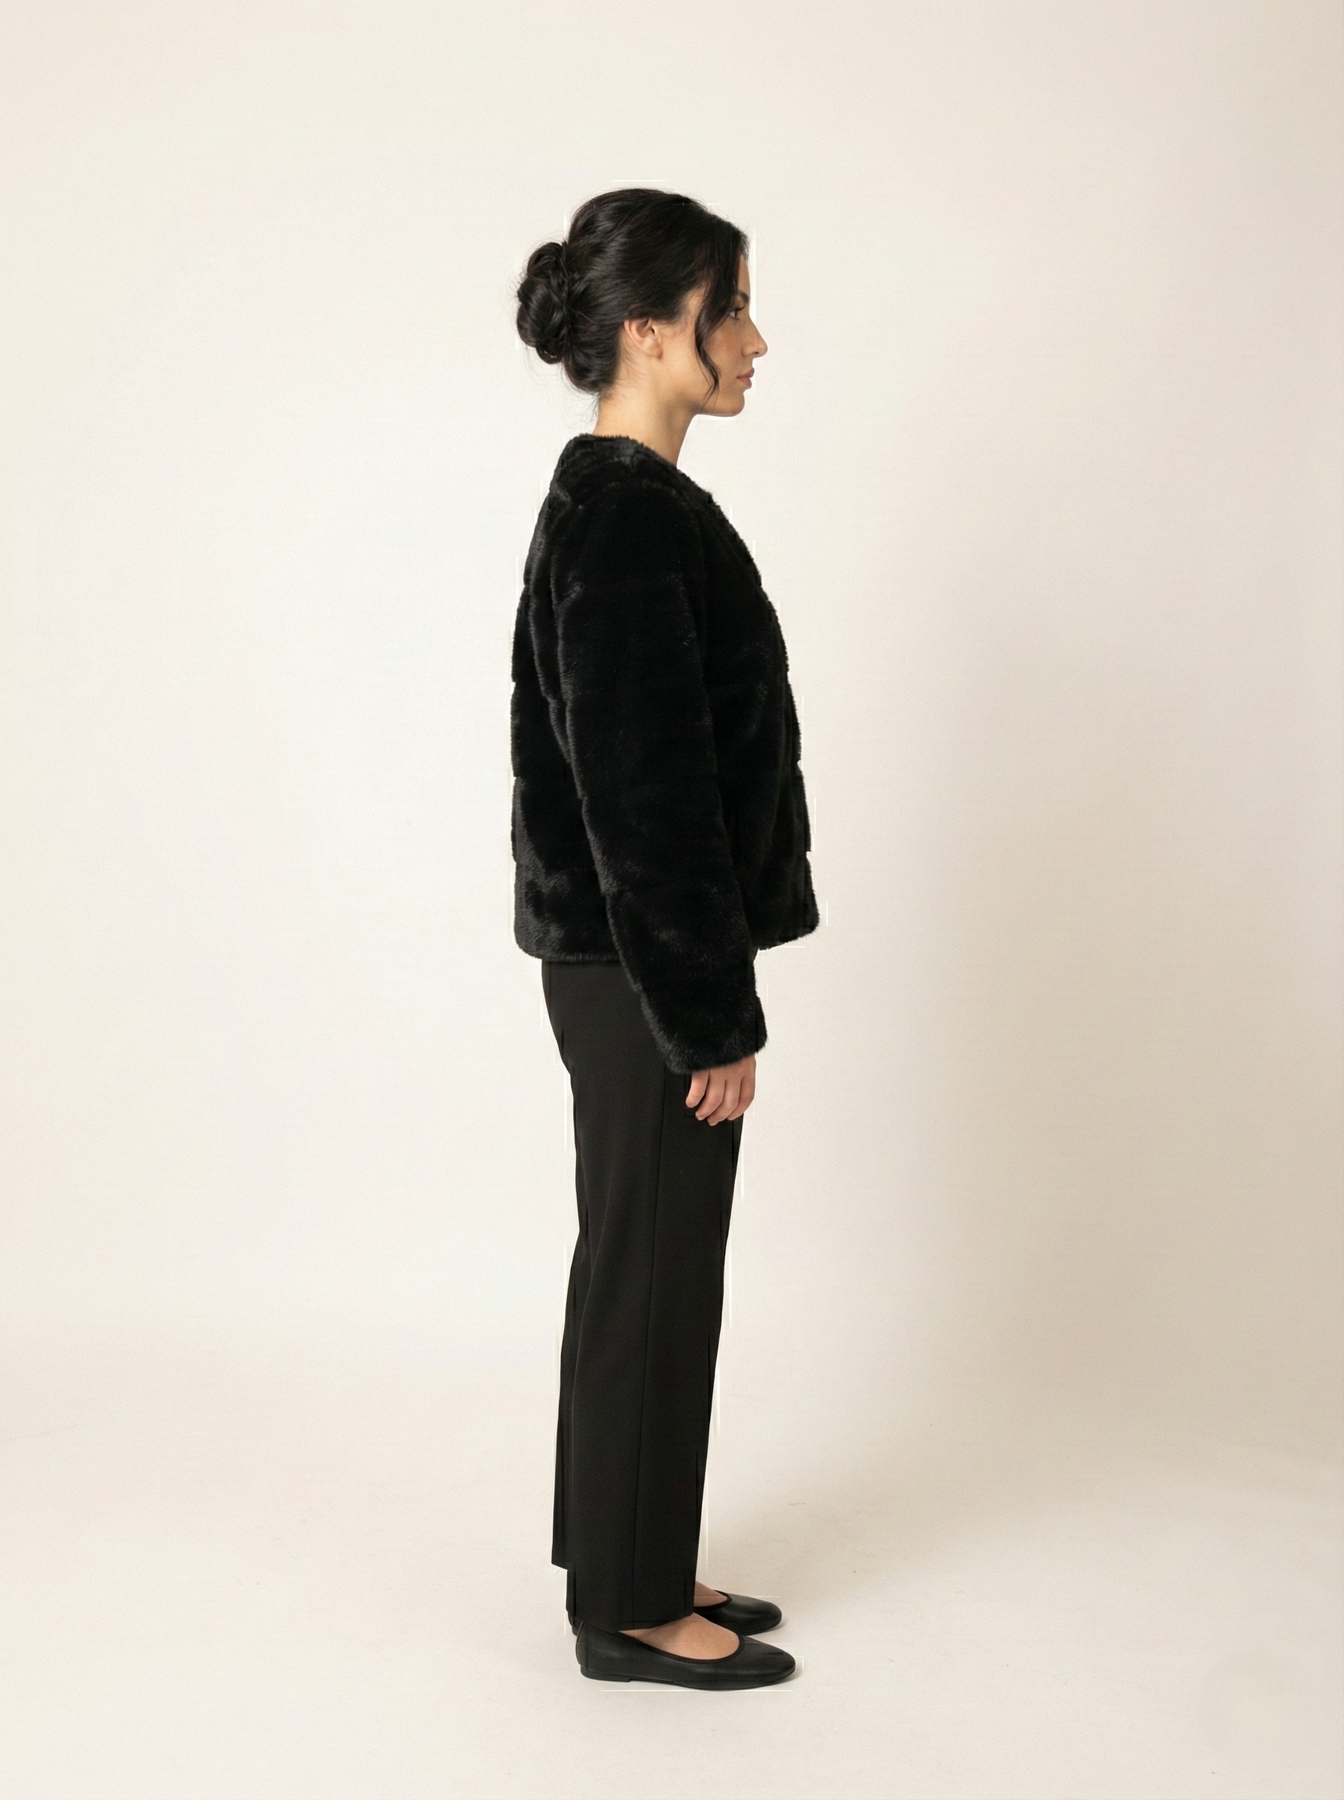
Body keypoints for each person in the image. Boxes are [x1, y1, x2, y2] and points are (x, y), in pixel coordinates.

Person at [511, 188, 819, 1691]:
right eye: (731, 308)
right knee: (655, 1272)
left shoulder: (621, 503)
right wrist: (710, 1014)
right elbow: (648, 793)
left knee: (638, 1262)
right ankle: (629, 1613)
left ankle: (624, 1555)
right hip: (645, 971)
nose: (755, 341)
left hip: (623, 964)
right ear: (649, 328)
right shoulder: (628, 516)